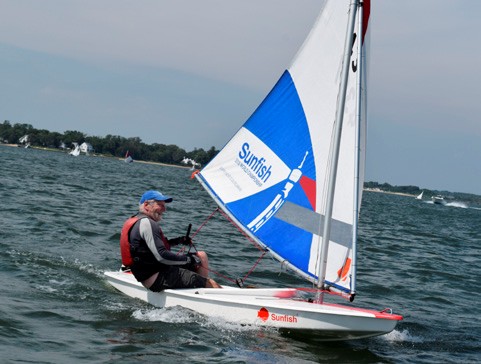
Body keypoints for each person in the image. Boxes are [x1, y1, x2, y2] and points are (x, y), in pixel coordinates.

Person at [120, 190, 221, 291]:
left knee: (201, 256)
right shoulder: (148, 223)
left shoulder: (137, 220)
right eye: (160, 205)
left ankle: (199, 286)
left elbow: (149, 247)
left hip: (152, 272)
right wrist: (188, 260)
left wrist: (179, 240)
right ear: (146, 205)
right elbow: (162, 256)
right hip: (157, 278)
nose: (164, 209)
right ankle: (204, 288)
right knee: (212, 284)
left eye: (164, 205)